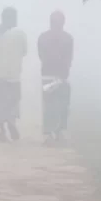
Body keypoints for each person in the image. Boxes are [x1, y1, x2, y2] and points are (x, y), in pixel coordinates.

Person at [0, 7, 27, 142]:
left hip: (0, 74)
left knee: (0, 104)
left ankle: (2, 131)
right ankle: (12, 122)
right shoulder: (21, 34)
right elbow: (24, 51)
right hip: (15, 75)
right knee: (13, 102)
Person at [38, 10, 74, 143]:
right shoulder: (68, 38)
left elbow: (41, 55)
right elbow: (69, 57)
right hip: (60, 75)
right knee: (61, 105)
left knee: (51, 105)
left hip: (49, 75)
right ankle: (58, 132)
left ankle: (50, 133)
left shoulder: (43, 37)